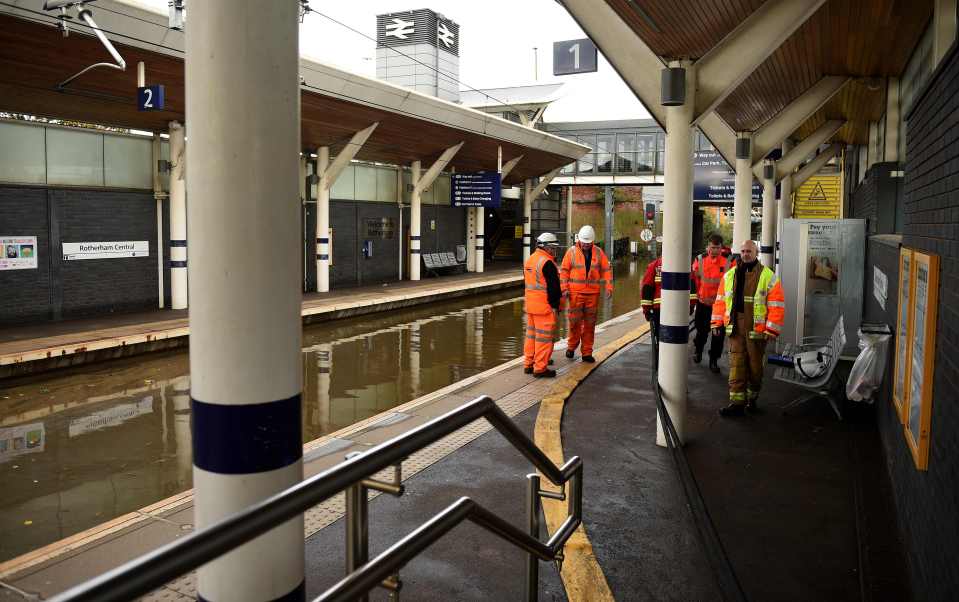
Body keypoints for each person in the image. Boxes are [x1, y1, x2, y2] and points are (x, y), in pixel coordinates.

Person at [710, 239, 786, 417]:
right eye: (743, 251)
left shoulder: (768, 276)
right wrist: (716, 323)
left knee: (755, 368)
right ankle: (737, 403)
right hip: (736, 327)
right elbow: (720, 301)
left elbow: (777, 304)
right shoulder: (729, 275)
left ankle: (752, 399)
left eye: (749, 251)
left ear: (756, 253)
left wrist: (771, 329)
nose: (745, 254)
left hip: (758, 331)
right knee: (736, 365)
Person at [560, 225, 612, 363]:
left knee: (590, 324)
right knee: (574, 323)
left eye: (588, 243)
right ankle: (571, 347)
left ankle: (587, 352)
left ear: (592, 242)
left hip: (592, 295)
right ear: (579, 240)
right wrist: (564, 288)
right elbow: (564, 271)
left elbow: (606, 270)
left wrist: (609, 286)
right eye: (584, 242)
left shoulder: (599, 253)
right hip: (575, 294)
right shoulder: (571, 252)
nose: (586, 245)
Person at [523, 232, 563, 378]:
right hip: (544, 307)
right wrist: (556, 305)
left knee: (531, 337)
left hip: (531, 306)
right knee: (544, 339)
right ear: (546, 247)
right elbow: (554, 288)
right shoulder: (547, 263)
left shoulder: (530, 260)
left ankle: (528, 363)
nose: (554, 250)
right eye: (553, 248)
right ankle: (540, 368)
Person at [691, 233, 731, 373]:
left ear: (722, 248)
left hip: (719, 308)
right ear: (708, 246)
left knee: (718, 336)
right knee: (701, 332)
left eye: (717, 248)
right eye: (712, 247)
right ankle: (698, 351)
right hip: (703, 305)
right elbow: (694, 280)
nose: (714, 250)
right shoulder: (699, 260)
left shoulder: (728, 262)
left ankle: (714, 360)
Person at [641, 256, 697, 338]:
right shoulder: (685, 264)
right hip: (679, 308)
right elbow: (692, 286)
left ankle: (660, 349)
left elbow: (647, 288)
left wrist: (647, 310)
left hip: (659, 308)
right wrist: (691, 305)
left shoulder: (654, 265)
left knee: (661, 335)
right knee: (678, 335)